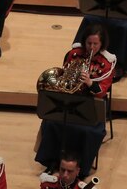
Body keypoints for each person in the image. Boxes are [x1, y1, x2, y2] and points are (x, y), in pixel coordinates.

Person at [34, 22, 115, 178]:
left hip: (92, 105)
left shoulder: (107, 62)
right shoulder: (74, 54)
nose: (91, 47)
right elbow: (64, 75)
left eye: (95, 44)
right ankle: (53, 162)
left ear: (102, 43)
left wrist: (90, 82)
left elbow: (102, 90)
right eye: (89, 43)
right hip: (70, 98)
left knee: (87, 131)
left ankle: (79, 169)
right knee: (52, 122)